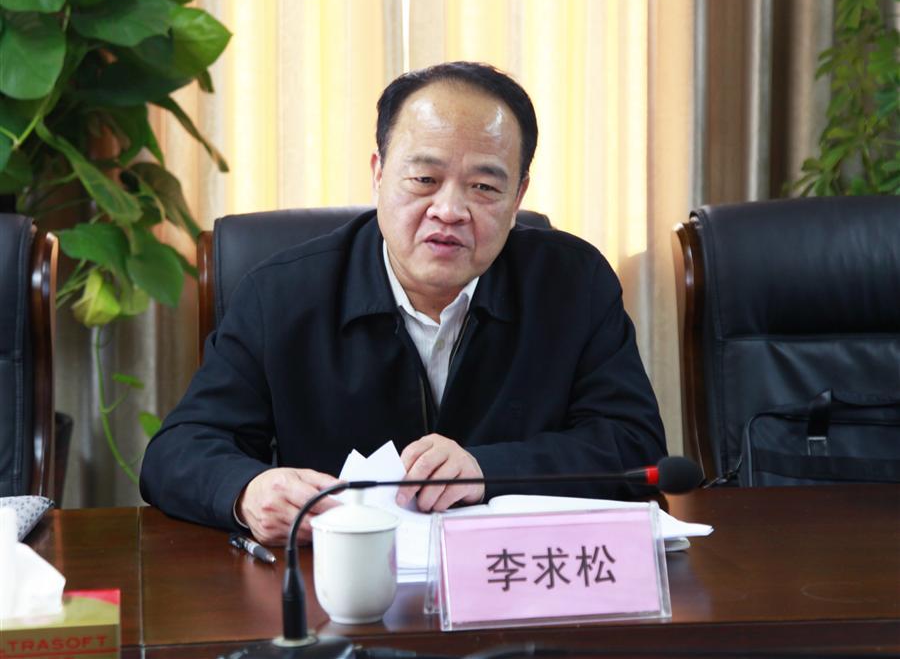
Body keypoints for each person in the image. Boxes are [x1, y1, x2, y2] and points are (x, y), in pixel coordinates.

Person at [140, 62, 666, 546]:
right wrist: (247, 491)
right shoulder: (281, 293)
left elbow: (634, 446)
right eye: (424, 180)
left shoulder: (573, 284)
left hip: (516, 581)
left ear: (518, 197)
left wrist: (487, 471)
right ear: (378, 173)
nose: (449, 210)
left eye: (484, 186)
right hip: (339, 588)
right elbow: (179, 450)